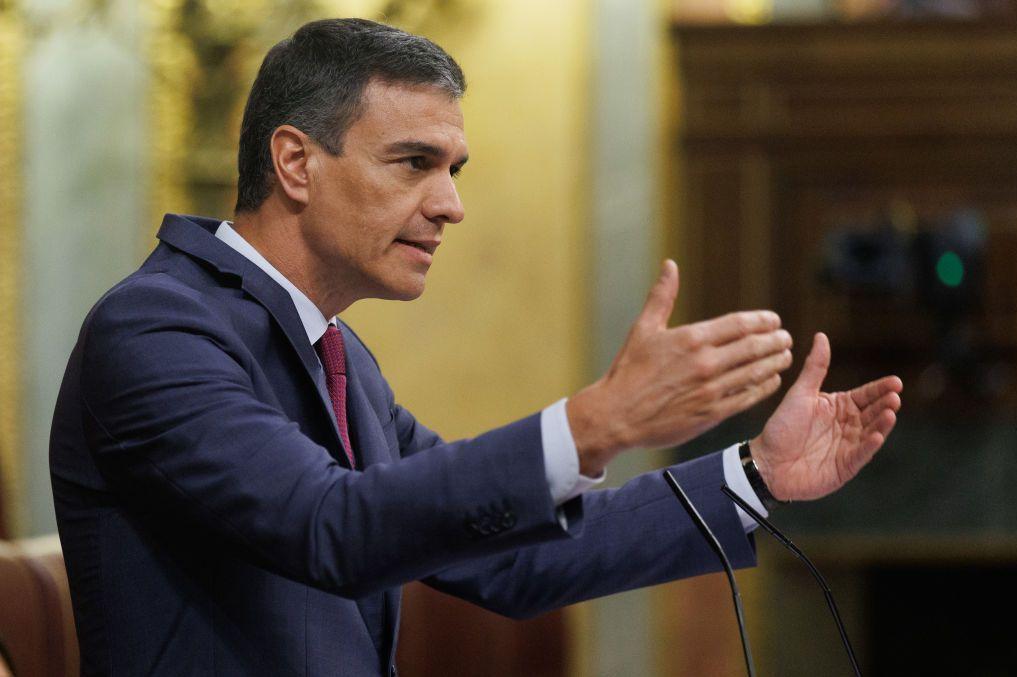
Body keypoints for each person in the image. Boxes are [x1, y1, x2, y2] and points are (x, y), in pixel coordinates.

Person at [49, 18, 902, 677]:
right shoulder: (157, 329)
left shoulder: (338, 357)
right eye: (415, 162)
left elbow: (513, 558)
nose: (450, 204)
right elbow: (331, 528)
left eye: (454, 168)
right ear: (296, 163)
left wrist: (752, 474)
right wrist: (591, 423)